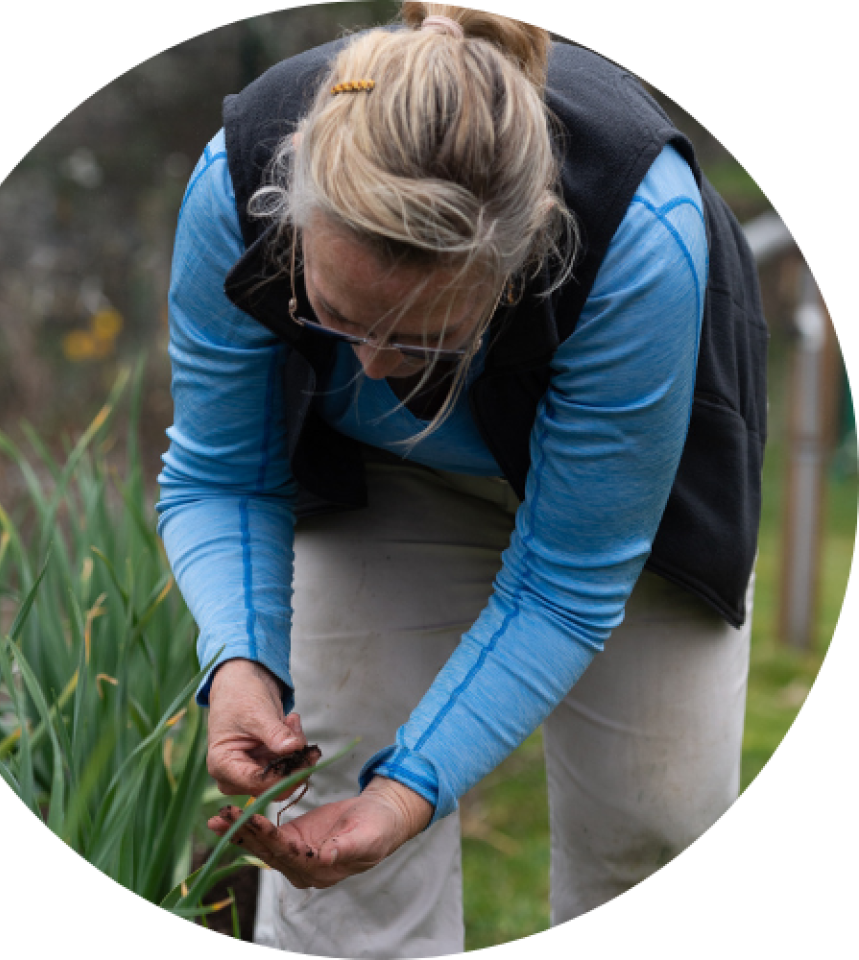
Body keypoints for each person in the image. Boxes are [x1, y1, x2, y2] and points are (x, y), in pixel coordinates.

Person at [157, 4, 767, 956]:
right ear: (294, 210)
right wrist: (239, 658)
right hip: (387, 484)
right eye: (335, 314)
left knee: (653, 840)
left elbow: (565, 580)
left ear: (523, 261)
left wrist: (416, 789)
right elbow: (220, 472)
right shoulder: (235, 183)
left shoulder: (640, 233)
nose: (368, 370)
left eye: (425, 339)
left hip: (625, 503)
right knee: (341, 830)